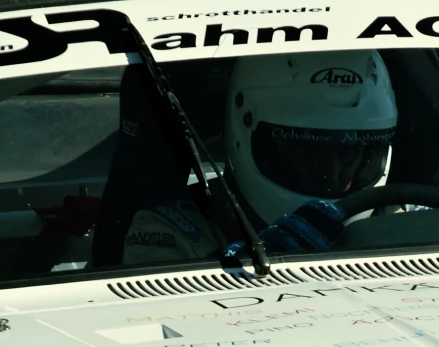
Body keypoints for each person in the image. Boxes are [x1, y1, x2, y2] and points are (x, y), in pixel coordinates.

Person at [121, 49, 398, 263]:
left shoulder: (400, 218)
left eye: (349, 151)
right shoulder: (172, 232)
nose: (332, 173)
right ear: (245, 131)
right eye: (309, 150)